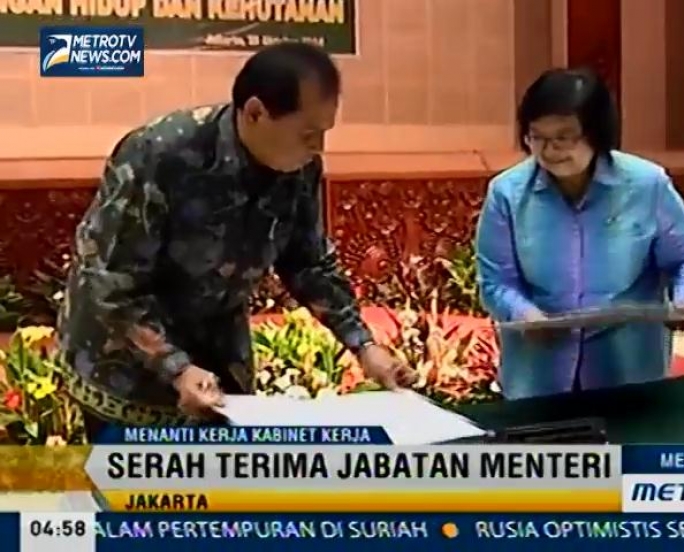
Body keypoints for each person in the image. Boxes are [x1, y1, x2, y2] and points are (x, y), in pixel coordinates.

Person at [58, 43, 417, 437]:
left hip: (217, 352)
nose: (318, 148)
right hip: (124, 363)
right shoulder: (160, 153)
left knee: (227, 472)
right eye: (308, 133)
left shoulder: (300, 166)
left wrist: (364, 346)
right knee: (145, 476)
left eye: (324, 133)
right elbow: (111, 281)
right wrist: (175, 367)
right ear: (256, 112)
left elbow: (309, 262)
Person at [475, 68, 684, 400]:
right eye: (537, 137)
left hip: (628, 366)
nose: (550, 151)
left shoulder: (647, 184)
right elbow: (496, 281)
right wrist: (524, 315)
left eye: (564, 137)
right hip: (539, 372)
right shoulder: (507, 193)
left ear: (598, 134)